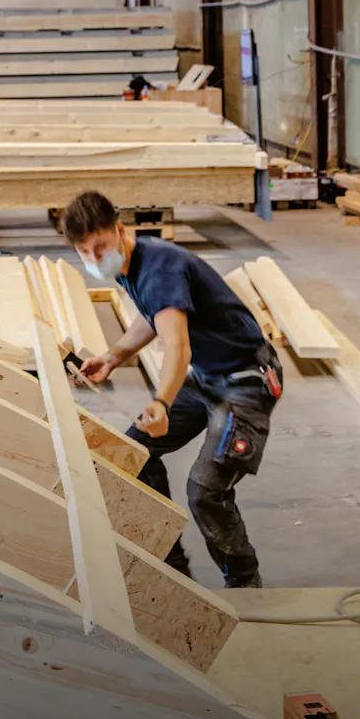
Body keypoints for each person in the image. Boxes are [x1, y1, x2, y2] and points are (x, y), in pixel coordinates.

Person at [68, 191, 282, 588]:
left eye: (101, 247)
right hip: (207, 376)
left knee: (205, 491)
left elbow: (177, 346)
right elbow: (154, 316)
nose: (95, 259)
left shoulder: (160, 268)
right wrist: (113, 356)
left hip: (246, 382)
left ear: (120, 230)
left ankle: (244, 582)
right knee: (133, 455)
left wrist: (162, 402)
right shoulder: (131, 263)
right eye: (85, 252)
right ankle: (173, 571)